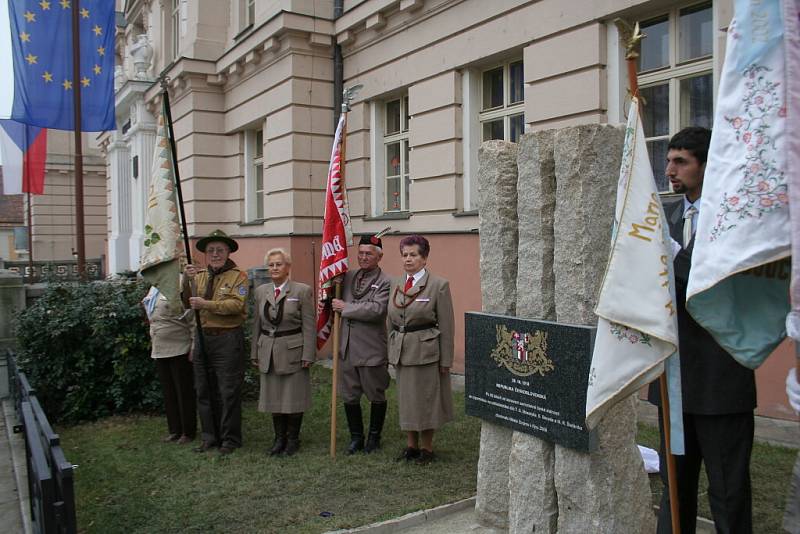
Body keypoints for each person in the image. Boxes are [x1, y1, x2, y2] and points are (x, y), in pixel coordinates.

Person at [648, 127, 756, 534]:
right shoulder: (670, 216)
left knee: (727, 490)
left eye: (681, 161)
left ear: (707, 165)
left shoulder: (735, 217)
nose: (670, 169)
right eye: (669, 160)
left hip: (721, 376)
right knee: (676, 485)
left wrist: (673, 258)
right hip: (675, 376)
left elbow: (721, 285)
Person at [387, 235, 454, 465]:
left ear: (424, 258)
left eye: (413, 255)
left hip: (426, 352)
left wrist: (446, 359)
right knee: (407, 399)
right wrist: (391, 346)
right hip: (403, 350)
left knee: (426, 400)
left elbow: (447, 325)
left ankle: (427, 448)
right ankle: (411, 446)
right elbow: (390, 321)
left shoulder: (438, 285)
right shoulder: (395, 283)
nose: (408, 259)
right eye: (404, 255)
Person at [182, 229, 249, 456]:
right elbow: (186, 303)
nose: (215, 254)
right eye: (211, 250)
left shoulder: (238, 276)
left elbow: (236, 306)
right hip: (203, 339)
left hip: (227, 339)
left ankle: (230, 439)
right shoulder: (199, 276)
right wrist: (186, 279)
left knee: (228, 391)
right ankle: (210, 437)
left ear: (228, 251)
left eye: (220, 250)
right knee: (203, 390)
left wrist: (206, 304)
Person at [251, 248, 315, 456]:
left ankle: (293, 439)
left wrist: (308, 354)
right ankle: (279, 439)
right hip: (268, 349)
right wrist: (255, 352)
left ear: (288, 267)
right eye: (271, 265)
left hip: (292, 350)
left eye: (279, 264)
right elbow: (257, 324)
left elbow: (309, 325)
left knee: (293, 396)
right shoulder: (261, 291)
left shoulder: (301, 291)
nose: (275, 268)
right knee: (274, 396)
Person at [331, 234, 391, 454]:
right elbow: (331, 297)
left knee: (376, 393)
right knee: (349, 394)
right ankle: (356, 437)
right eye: (361, 253)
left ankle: (374, 437)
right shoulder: (348, 277)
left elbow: (377, 310)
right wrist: (332, 283)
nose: (364, 257)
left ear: (379, 256)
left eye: (369, 254)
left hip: (370, 348)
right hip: (346, 346)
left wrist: (345, 307)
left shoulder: (385, 281)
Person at [143, 286, 196, 444]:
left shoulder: (179, 285)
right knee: (169, 392)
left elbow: (192, 319)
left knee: (183, 392)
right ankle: (174, 430)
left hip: (179, 347)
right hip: (160, 348)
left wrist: (194, 345)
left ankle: (188, 431)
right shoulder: (154, 288)